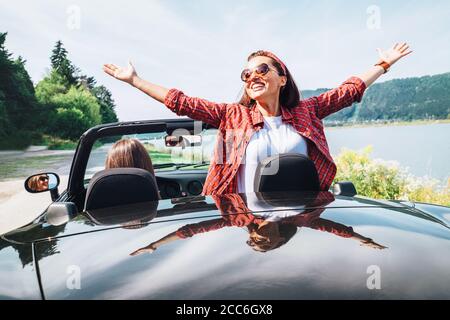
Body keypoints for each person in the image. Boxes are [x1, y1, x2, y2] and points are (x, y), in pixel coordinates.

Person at [104, 43, 412, 195]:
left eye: (263, 69)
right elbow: (181, 102)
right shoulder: (231, 115)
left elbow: (349, 91)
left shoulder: (308, 111)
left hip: (301, 219)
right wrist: (135, 80)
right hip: (241, 223)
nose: (253, 76)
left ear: (282, 79)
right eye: (247, 73)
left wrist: (384, 63)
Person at [130, 192, 387, 255]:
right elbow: (335, 229)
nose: (257, 240)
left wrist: (154, 245)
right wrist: (364, 240)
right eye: (264, 244)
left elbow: (192, 230)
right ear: (280, 239)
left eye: (253, 242)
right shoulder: (301, 218)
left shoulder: (237, 219)